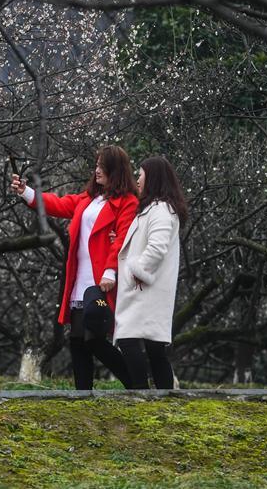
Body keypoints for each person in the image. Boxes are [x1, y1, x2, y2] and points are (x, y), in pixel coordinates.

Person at [10, 145, 138, 389]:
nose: (97, 170)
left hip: (103, 279)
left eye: (102, 165)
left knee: (94, 339)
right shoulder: (89, 198)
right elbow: (58, 204)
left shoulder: (127, 202)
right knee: (78, 339)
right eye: (97, 164)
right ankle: (83, 395)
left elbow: (122, 239)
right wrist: (26, 191)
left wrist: (111, 271)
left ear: (115, 169)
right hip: (80, 278)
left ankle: (135, 384)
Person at [113, 156, 187, 389]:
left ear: (152, 178)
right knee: (154, 347)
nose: (137, 180)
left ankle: (139, 393)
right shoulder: (156, 208)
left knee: (128, 338)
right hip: (148, 289)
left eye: (141, 175)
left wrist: (138, 271)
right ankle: (163, 396)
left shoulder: (161, 209)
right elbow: (149, 242)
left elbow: (157, 247)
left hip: (146, 288)